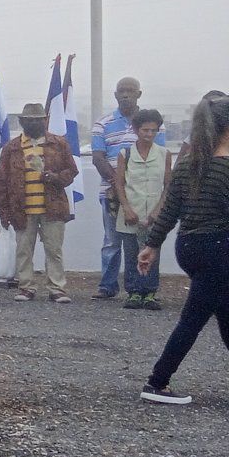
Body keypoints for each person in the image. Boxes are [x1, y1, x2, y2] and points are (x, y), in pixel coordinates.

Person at [137, 91, 229, 405]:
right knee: (192, 320)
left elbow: (171, 208)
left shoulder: (189, 162)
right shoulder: (226, 167)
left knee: (225, 310)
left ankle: (157, 381)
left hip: (189, 246)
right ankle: (156, 382)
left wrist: (151, 244)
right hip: (217, 249)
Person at [0, 100, 80, 303]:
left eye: (38, 120)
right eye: (29, 121)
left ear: (45, 121)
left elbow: (72, 171)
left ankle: (57, 288)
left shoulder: (58, 144)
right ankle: (26, 287)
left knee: (54, 250)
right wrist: (3, 212)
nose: (34, 124)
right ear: (22, 122)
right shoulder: (12, 147)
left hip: (53, 207)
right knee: (24, 250)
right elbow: (1, 182)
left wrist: (53, 178)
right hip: (21, 209)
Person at [90, 77, 155, 299]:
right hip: (110, 192)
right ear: (115, 95)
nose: (125, 95)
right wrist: (119, 184)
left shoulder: (151, 125)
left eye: (130, 91)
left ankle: (140, 289)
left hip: (143, 193)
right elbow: (98, 158)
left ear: (139, 94)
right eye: (121, 91)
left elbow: (158, 155)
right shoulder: (103, 124)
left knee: (141, 240)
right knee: (111, 240)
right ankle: (107, 286)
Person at [114, 108, 171, 309]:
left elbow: (167, 186)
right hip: (131, 213)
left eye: (153, 130)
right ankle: (134, 292)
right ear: (136, 130)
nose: (149, 134)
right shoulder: (125, 154)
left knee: (152, 252)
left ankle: (150, 293)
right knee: (131, 253)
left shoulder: (164, 154)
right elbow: (119, 184)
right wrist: (127, 208)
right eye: (145, 130)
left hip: (154, 215)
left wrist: (158, 211)